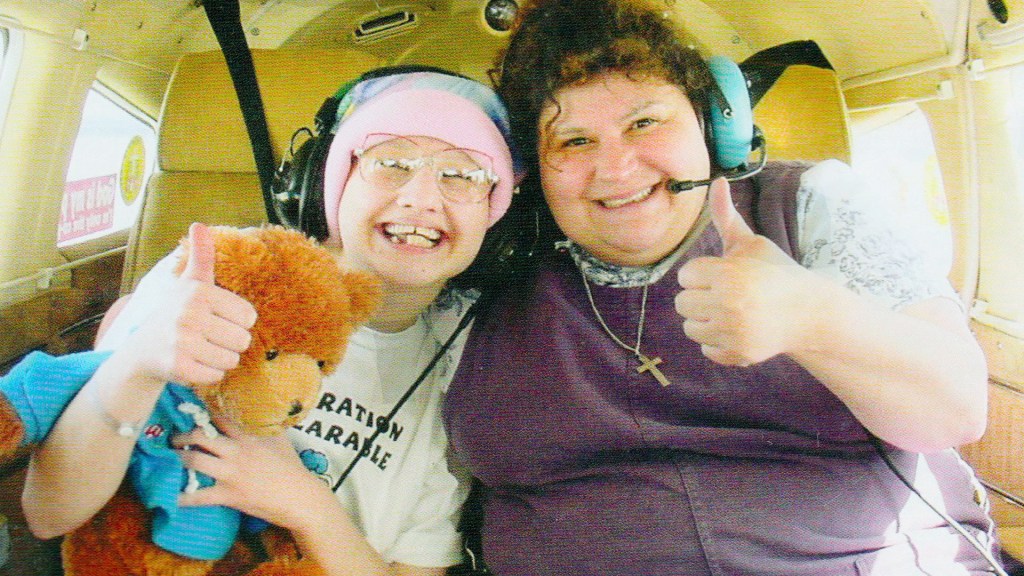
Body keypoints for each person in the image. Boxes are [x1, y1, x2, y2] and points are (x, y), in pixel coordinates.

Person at [441, 0, 1002, 574]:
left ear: (714, 125)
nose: (616, 169)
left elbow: (955, 412)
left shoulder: (811, 205)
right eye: (574, 142)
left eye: (644, 122)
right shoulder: (489, 266)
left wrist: (816, 319)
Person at [21, 68, 521, 576]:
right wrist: (136, 363)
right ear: (329, 183)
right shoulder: (219, 270)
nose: (422, 198)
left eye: (463, 175)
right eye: (391, 162)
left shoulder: (468, 374)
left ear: (496, 215)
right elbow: (47, 512)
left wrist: (305, 505)